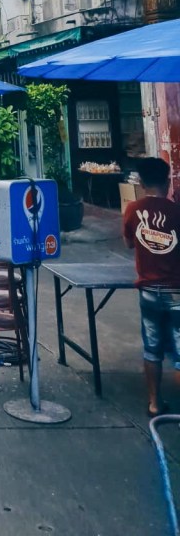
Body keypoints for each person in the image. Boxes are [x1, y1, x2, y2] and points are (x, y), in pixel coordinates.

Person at [123, 157, 180, 417]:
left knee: (152, 348)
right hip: (176, 290)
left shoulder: (133, 209)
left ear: (142, 183)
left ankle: (155, 403)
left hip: (148, 291)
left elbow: (128, 244)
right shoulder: (176, 211)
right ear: (167, 181)